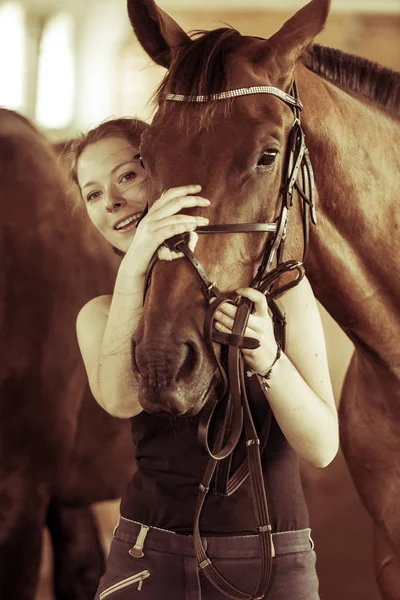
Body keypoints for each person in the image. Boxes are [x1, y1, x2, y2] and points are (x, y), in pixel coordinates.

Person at [68, 117, 339, 600]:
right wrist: (137, 264)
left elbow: (320, 448)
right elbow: (121, 398)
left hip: (274, 558)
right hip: (146, 556)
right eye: (92, 194)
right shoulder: (101, 313)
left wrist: (268, 358)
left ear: (168, 172)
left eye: (127, 176)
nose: (110, 201)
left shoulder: (284, 290)